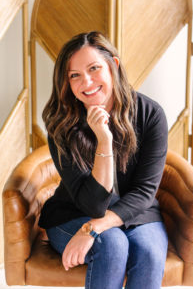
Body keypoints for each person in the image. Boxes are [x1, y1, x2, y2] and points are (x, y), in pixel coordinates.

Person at [38, 31, 168, 289]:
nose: (86, 82)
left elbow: (144, 191)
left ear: (113, 66)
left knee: (150, 253)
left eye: (94, 68)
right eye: (74, 75)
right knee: (112, 244)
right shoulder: (61, 124)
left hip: (137, 212)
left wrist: (93, 228)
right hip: (73, 213)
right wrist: (104, 141)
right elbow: (93, 204)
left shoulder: (150, 114)